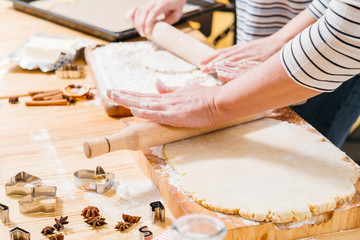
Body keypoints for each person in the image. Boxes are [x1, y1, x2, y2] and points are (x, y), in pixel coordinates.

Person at [110, 0, 360, 147]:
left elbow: (347, 30)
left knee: (301, 151)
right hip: (265, 29)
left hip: (335, 61)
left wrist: (214, 105)